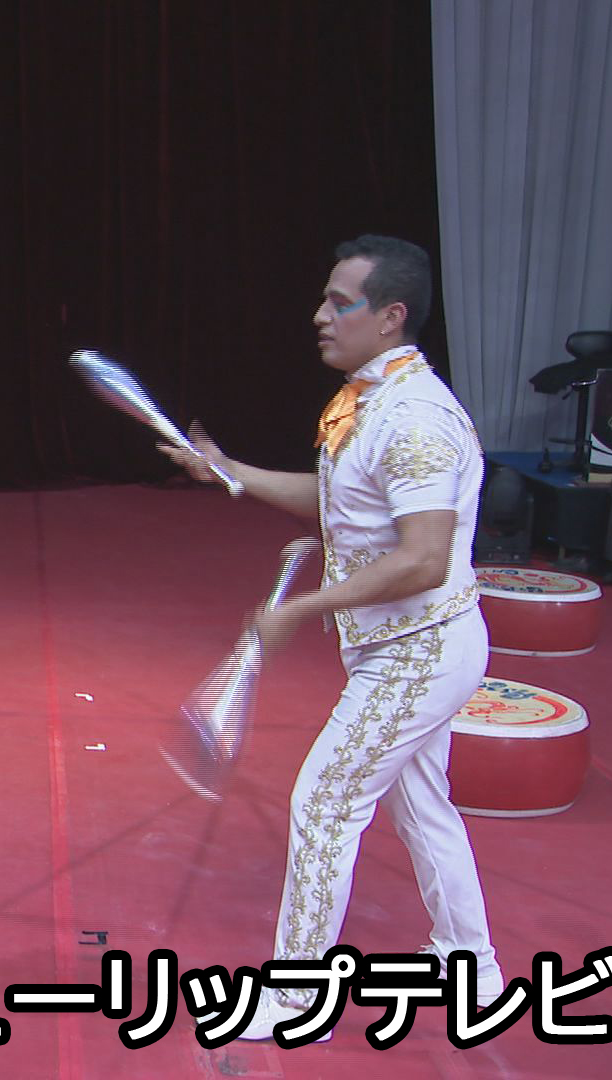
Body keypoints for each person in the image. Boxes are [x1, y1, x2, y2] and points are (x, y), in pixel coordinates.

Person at [161, 236, 503, 1041]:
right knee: (422, 808)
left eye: (339, 303)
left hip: (418, 654)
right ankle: (472, 962)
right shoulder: (374, 400)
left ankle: (296, 998)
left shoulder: (415, 418)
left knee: (322, 803)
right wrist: (230, 472)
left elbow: (422, 558)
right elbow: (340, 500)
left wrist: (300, 609)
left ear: (390, 317)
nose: (320, 315)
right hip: (404, 647)